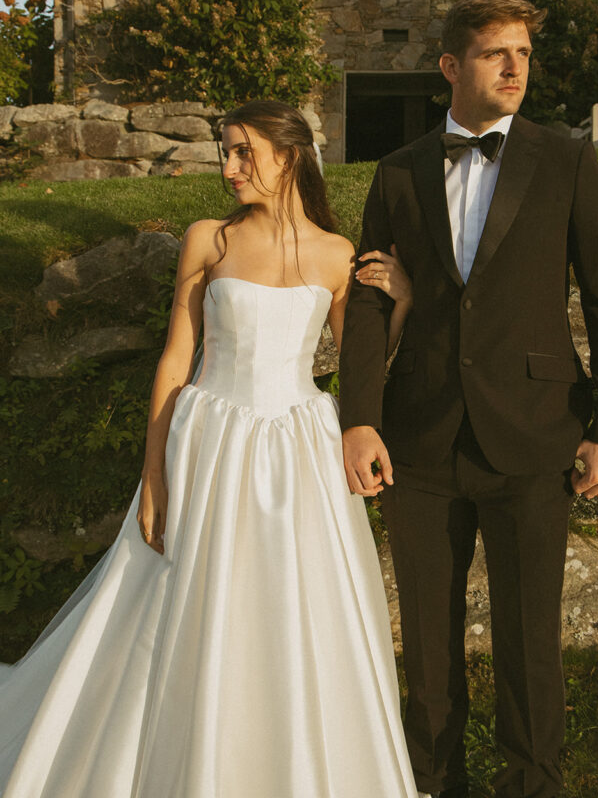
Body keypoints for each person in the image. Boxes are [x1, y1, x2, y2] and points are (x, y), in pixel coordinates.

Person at [0, 100, 419, 798]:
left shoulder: (335, 254)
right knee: (173, 603)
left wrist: (400, 303)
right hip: (209, 438)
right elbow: (174, 362)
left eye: (241, 152)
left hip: (297, 452)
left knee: (290, 612)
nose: (227, 168)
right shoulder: (208, 240)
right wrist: (155, 478)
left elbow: (360, 372)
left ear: (288, 158)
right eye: (224, 150)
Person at [339, 0, 598, 798]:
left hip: (536, 433)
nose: (514, 67)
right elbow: (369, 298)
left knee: (527, 641)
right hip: (421, 439)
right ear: (449, 66)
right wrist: (359, 419)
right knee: (428, 648)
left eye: (522, 53)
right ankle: (433, 784)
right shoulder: (399, 172)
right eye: (493, 53)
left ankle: (533, 785)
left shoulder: (566, 159)